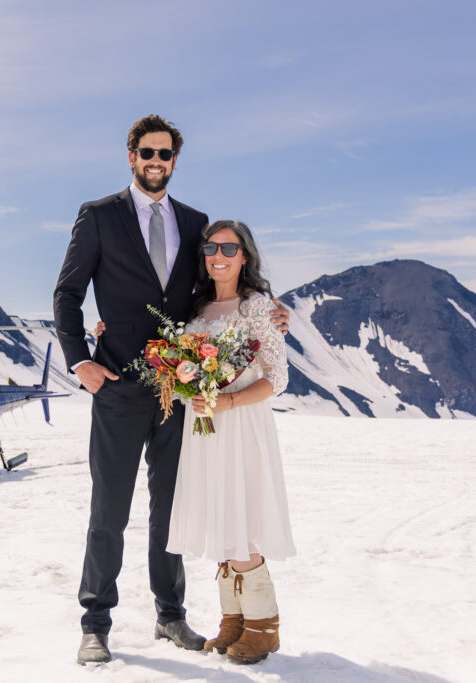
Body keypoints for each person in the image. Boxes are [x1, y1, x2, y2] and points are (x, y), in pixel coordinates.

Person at [53, 115, 288, 665]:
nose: (155, 162)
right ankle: (96, 621)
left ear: (175, 161)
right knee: (108, 509)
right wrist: (80, 360)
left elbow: (209, 293)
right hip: (116, 385)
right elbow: (67, 294)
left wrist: (269, 311)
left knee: (171, 508)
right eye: (146, 153)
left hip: (181, 392)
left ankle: (171, 615)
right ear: (131, 156)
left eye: (165, 155)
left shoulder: (196, 222)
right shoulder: (98, 216)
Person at [165, 219, 295, 665]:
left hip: (240, 426)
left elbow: (277, 378)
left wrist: (230, 401)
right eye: (210, 248)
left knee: (244, 518)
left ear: (245, 257)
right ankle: (233, 620)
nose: (218, 255)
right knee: (221, 516)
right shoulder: (196, 311)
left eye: (229, 248)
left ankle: (264, 625)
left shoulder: (257, 307)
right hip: (204, 430)